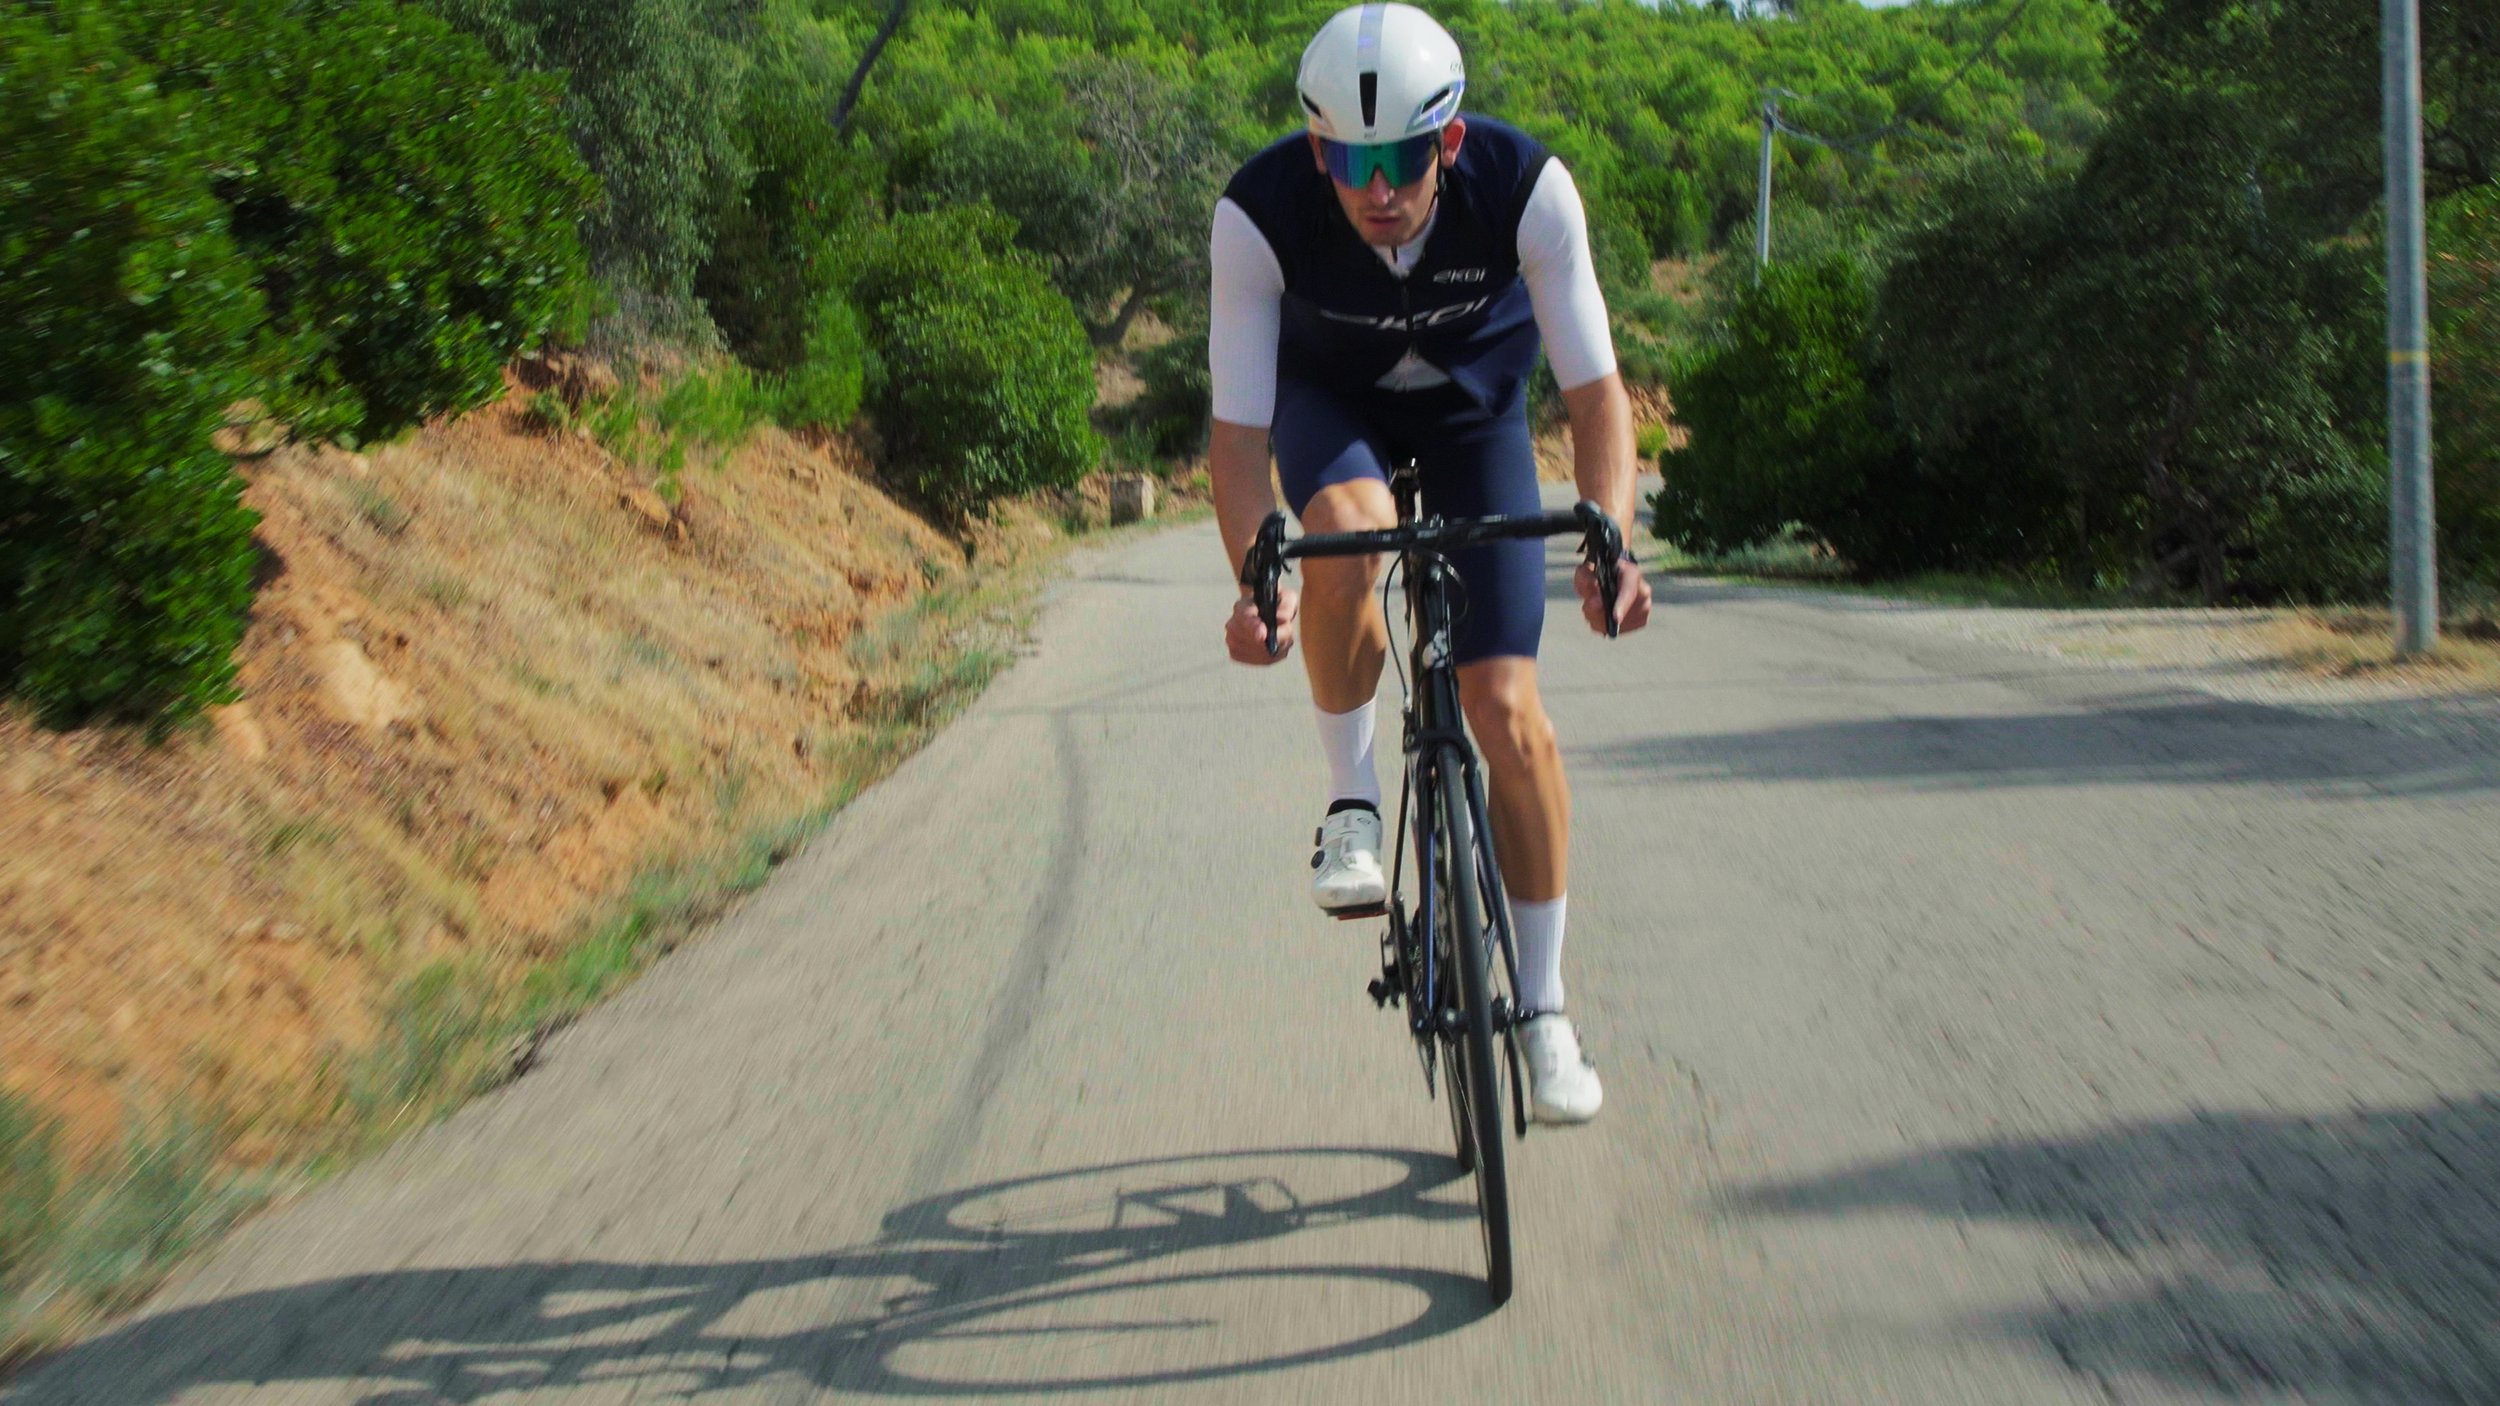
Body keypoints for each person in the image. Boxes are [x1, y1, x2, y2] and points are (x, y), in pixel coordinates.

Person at [1207, 2, 1653, 1125]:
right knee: (1345, 527)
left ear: (1448, 141)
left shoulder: (1525, 187)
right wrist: (1252, 582)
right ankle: (1352, 801)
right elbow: (1237, 435)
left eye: (1403, 158)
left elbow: (1598, 396)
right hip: (1331, 403)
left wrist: (1610, 540)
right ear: (1317, 151)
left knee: (1506, 710)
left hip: (1475, 413)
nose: (1377, 187)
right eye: (1349, 162)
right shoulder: (1257, 215)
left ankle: (1544, 1010)